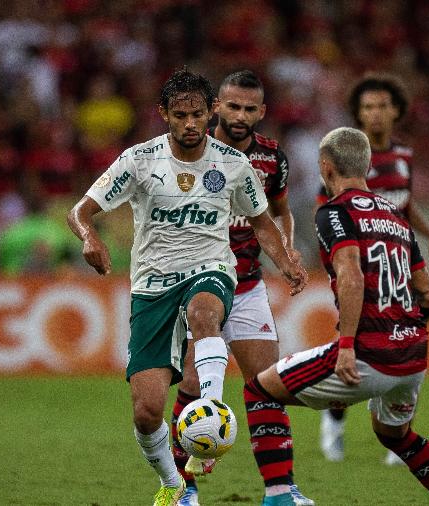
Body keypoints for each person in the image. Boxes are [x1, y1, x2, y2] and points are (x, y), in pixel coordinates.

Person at [67, 69, 307, 506]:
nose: (191, 124)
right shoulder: (140, 161)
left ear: (208, 111)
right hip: (153, 286)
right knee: (146, 412)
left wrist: (286, 261)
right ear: (164, 115)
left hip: (212, 268)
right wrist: (90, 236)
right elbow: (80, 211)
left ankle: (213, 416)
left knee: (205, 314)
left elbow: (262, 222)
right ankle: (174, 484)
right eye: (181, 115)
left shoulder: (234, 166)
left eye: (198, 114)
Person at [245, 126, 429, 506]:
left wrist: (348, 345)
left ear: (325, 167)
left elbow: (350, 273)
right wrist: (407, 333)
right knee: (395, 436)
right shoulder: (396, 216)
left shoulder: (334, 213)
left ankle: (280, 497)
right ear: (367, 167)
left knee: (260, 391)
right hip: (413, 355)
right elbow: (427, 291)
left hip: (367, 352)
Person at [166, 70, 314, 506]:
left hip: (248, 286)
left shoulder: (272, 158)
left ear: (262, 112)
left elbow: (280, 212)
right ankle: (181, 488)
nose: (240, 115)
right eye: (232, 106)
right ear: (216, 107)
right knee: (193, 383)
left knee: (268, 384)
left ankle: (280, 492)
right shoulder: (189, 152)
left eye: (250, 109)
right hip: (197, 285)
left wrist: (285, 252)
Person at [316, 72, 429, 465]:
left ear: (396, 111)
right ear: (358, 113)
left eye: (382, 106)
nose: (375, 114)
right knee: (354, 339)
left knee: (403, 337)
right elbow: (326, 206)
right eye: (367, 107)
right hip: (359, 260)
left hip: (398, 261)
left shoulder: (404, 157)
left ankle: (396, 423)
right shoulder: (348, 158)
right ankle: (335, 420)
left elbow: (404, 207)